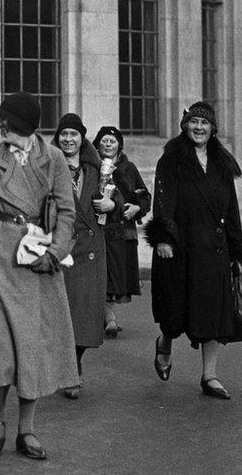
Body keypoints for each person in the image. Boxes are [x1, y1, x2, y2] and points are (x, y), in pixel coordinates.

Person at [0, 92, 77, 460]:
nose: (0, 126)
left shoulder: (52, 158)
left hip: (37, 258)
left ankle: (27, 429)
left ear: (23, 124)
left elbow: (68, 214)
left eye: (6, 121)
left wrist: (55, 254)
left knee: (31, 346)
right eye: (0, 121)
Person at [146, 101, 242, 400]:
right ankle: (164, 343)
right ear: (185, 125)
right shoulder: (172, 158)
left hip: (214, 251)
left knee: (213, 315)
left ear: (213, 129)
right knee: (175, 314)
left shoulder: (222, 163)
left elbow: (231, 210)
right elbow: (163, 201)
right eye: (194, 122)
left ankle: (210, 376)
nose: (199, 128)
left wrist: (236, 251)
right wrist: (164, 238)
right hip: (180, 248)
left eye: (205, 124)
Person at [51, 113, 106, 399]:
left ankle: (76, 362)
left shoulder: (95, 168)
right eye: (64, 135)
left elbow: (113, 197)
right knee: (64, 312)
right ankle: (68, 369)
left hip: (91, 247)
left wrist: (113, 203)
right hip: (62, 246)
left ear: (82, 138)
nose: (69, 139)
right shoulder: (48, 167)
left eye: (74, 135)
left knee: (86, 313)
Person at [93, 125, 150, 337]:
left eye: (112, 141)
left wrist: (137, 208)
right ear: (97, 144)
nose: (108, 144)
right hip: (97, 229)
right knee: (101, 273)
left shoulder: (129, 169)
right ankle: (109, 318)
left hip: (121, 232)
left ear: (119, 146)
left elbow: (144, 196)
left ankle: (108, 316)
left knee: (115, 277)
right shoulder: (90, 166)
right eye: (104, 140)